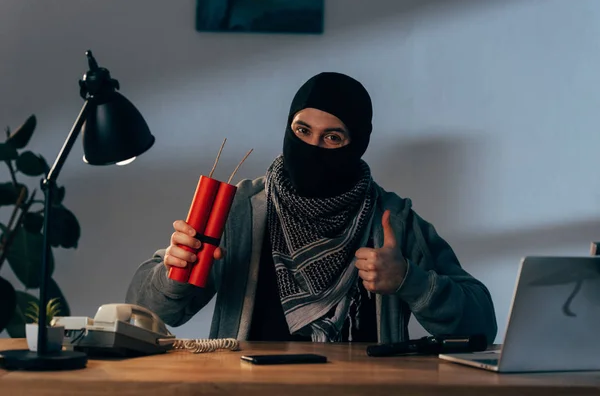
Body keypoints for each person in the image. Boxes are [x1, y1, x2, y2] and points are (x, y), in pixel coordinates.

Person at [125, 72, 498, 344]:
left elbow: (481, 324)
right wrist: (174, 272)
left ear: (357, 145)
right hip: (248, 388)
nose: (312, 147)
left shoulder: (392, 219)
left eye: (332, 137)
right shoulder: (239, 207)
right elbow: (151, 315)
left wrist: (408, 280)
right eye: (302, 131)